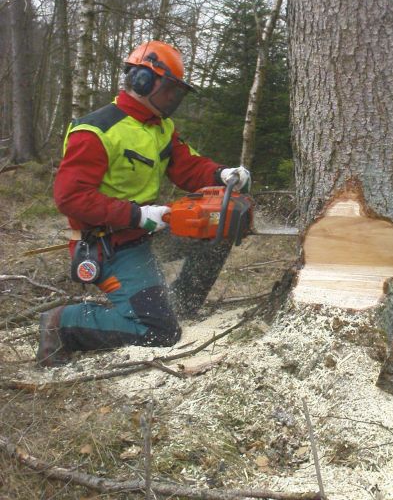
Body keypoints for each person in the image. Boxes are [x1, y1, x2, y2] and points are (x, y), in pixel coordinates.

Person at [37, 40, 250, 368]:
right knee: (159, 332)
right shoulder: (96, 130)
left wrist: (222, 174)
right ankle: (62, 323)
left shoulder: (160, 128)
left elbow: (188, 167)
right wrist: (136, 215)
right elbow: (71, 197)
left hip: (145, 233)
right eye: (169, 90)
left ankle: (180, 306)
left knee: (216, 227)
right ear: (142, 81)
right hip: (109, 246)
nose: (172, 99)